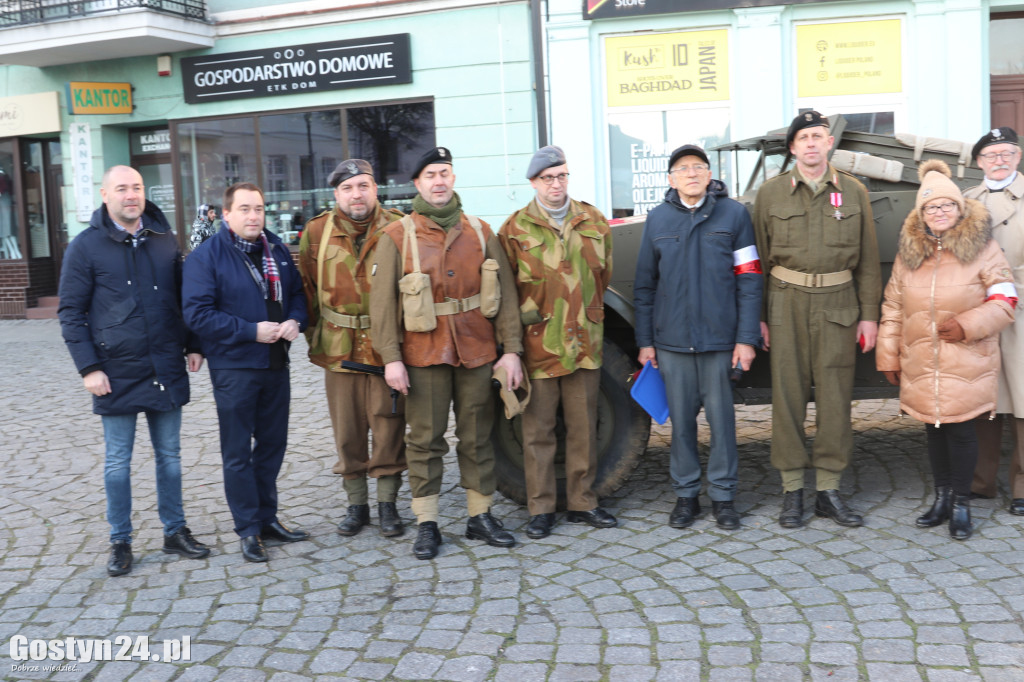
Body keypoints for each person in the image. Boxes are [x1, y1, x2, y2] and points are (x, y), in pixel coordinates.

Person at [370, 146, 524, 560]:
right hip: (423, 355)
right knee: (425, 440)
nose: (439, 181)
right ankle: (428, 522)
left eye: (445, 173)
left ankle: (480, 515)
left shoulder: (480, 232)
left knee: (478, 436)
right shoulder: (396, 237)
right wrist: (391, 359)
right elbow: (382, 307)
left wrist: (511, 352)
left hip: (476, 350)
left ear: (453, 179)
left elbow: (506, 297)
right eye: (430, 175)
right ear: (417, 184)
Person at [58, 165, 210, 577]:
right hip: (115, 371)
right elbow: (70, 313)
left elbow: (185, 296)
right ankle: (120, 540)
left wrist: (194, 344)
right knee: (117, 464)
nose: (131, 195)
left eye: (137, 187)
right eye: (122, 188)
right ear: (105, 195)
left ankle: (174, 531)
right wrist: (88, 368)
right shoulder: (84, 247)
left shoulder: (164, 240)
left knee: (171, 459)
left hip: (165, 363)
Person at [753, 110, 882, 528]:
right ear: (792, 147)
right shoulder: (770, 195)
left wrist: (869, 317)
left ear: (830, 144)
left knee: (835, 399)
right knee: (787, 397)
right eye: (803, 137)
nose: (811, 143)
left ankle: (828, 488)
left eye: (818, 136)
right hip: (785, 302)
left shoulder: (855, 192)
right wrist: (758, 317)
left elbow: (867, 263)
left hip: (839, 304)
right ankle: (792, 490)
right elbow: (755, 260)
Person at [877, 159, 1016, 540]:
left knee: (961, 430)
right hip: (922, 359)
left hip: (966, 356)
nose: (939, 212)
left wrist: (967, 325)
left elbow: (1005, 300)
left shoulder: (984, 249)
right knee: (933, 428)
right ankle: (940, 498)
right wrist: (887, 355)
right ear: (921, 214)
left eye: (946, 205)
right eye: (931, 207)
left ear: (959, 208)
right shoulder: (910, 256)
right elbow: (892, 306)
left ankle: (960, 503)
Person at [634, 144, 764, 531]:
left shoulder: (735, 215)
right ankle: (686, 495)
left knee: (723, 424)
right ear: (671, 179)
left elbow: (750, 279)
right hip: (672, 343)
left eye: (698, 167)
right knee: (682, 426)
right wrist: (646, 343)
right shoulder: (657, 220)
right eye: (682, 168)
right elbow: (645, 286)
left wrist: (745, 339)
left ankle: (724, 497)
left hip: (721, 342)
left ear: (710, 175)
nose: (691, 173)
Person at [182, 182, 309, 563]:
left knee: (272, 446)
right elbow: (198, 314)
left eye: (259, 208)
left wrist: (295, 321)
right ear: (227, 215)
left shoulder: (277, 248)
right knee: (237, 453)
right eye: (245, 209)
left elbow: (299, 296)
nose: (254, 216)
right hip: (235, 367)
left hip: (275, 363)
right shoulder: (207, 256)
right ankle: (248, 529)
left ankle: (268, 519)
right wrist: (250, 330)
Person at [497, 145, 617, 539]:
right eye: (548, 178)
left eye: (562, 175)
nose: (556, 184)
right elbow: (506, 296)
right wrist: (510, 350)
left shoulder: (594, 220)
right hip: (539, 347)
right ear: (533, 182)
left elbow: (603, 278)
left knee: (584, 428)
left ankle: (583, 501)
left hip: (583, 344)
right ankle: (541, 509)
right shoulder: (514, 230)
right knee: (538, 433)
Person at [297, 159, 407, 538]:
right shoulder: (316, 233)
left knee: (389, 427)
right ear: (336, 194)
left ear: (375, 188)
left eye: (363, 186)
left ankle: (388, 506)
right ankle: (356, 504)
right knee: (348, 431)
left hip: (385, 349)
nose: (356, 194)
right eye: (347, 188)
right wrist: (316, 338)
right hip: (339, 349)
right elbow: (306, 289)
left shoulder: (399, 227)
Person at [964, 128, 1024, 513]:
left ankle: (1022, 487)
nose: (999, 160)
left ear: (1018, 157)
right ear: (979, 162)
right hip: (981, 306)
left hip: (1022, 306)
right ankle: (980, 482)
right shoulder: (967, 202)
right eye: (991, 154)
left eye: (1007, 153)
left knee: (1023, 397)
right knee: (983, 395)